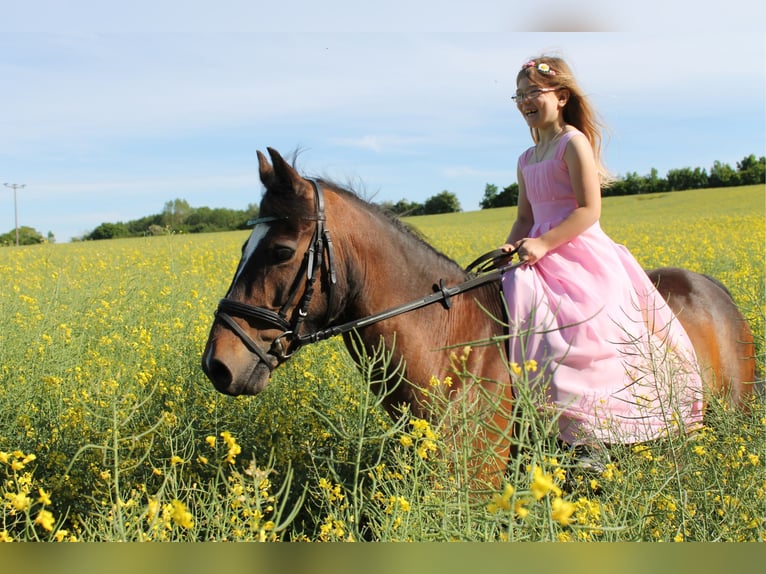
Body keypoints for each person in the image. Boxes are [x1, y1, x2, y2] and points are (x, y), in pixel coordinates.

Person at [500, 56, 703, 452]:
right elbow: (525, 216)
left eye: (533, 93)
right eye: (519, 95)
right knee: (512, 307)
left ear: (560, 97)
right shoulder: (525, 159)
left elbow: (589, 210)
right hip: (537, 253)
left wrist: (543, 243)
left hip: (578, 251)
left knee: (580, 330)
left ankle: (593, 436)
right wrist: (511, 246)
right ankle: (531, 421)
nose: (525, 101)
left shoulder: (572, 143)